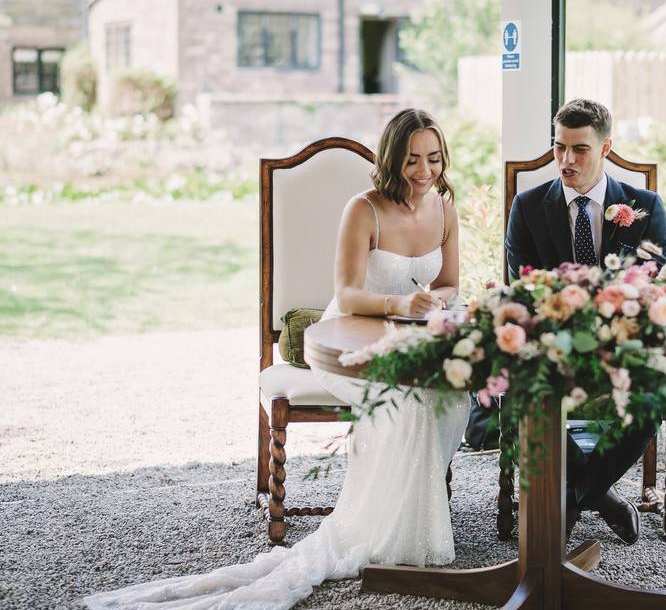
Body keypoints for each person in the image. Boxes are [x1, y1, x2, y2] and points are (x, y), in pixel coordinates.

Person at [84, 109, 470, 609]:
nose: (424, 171)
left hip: (414, 339)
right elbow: (349, 294)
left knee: (449, 395)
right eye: (413, 160)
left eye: (434, 159)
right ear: (392, 159)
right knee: (408, 402)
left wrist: (435, 303)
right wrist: (398, 304)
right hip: (350, 346)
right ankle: (391, 536)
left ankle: (411, 520)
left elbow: (449, 283)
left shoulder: (444, 207)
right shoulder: (364, 209)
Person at [502, 98, 666, 545]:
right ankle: (600, 497)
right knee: (532, 386)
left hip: (624, 347)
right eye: (559, 147)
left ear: (606, 147)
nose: (566, 160)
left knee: (653, 392)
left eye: (579, 149)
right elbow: (523, 289)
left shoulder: (644, 207)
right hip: (552, 344)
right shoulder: (528, 206)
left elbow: (653, 290)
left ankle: (572, 501)